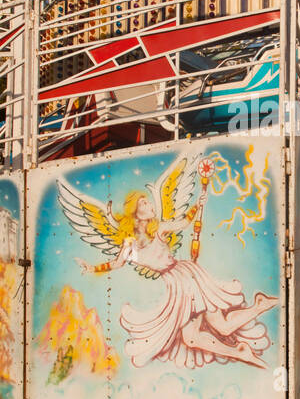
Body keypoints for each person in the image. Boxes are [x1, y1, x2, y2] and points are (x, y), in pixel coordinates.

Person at [60, 158, 275, 369]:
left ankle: (257, 311)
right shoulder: (130, 244)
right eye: (143, 202)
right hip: (176, 283)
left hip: (185, 276)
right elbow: (116, 264)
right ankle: (250, 328)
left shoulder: (159, 229)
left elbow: (184, 222)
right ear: (136, 213)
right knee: (197, 336)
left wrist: (196, 206)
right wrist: (91, 268)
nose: (149, 204)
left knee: (216, 327)